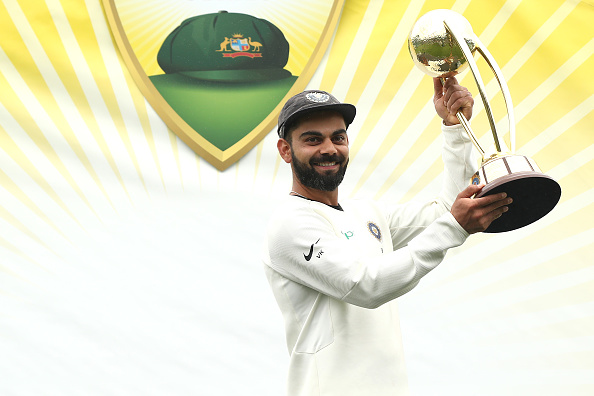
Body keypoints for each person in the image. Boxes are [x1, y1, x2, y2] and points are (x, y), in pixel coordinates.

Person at [262, 77, 512, 396]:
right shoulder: (289, 223)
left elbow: (446, 209)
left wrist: (455, 129)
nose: (329, 149)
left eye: (338, 137)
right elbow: (366, 285)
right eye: (312, 139)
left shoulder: (366, 213)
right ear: (286, 150)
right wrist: (454, 226)